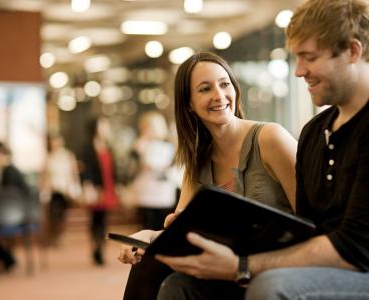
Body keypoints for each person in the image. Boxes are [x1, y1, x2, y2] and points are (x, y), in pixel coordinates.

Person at [153, 0, 369, 299]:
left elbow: (354, 247)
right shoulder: (314, 132)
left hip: (358, 266)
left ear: (353, 52)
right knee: (172, 280)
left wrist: (243, 265)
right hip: (323, 263)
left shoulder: (272, 137)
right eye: (297, 59)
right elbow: (307, 228)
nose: (299, 71)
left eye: (309, 57)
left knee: (270, 286)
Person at [118, 51, 298, 299]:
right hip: (224, 271)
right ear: (189, 104)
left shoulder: (270, 138)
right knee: (155, 268)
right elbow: (180, 233)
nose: (219, 95)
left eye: (224, 84)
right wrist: (146, 236)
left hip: (271, 268)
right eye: (205, 89)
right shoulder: (196, 162)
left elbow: (313, 220)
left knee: (169, 280)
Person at [0, 141, 30, 271]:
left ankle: (5, 259)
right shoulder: (11, 171)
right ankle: (6, 259)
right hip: (19, 216)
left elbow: (1, 196)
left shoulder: (8, 173)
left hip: (7, 217)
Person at [128, 111, 178, 230]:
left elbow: (174, 167)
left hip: (164, 194)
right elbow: (132, 166)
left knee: (162, 227)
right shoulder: (140, 145)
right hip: (145, 193)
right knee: (146, 227)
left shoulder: (170, 145)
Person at [81, 116, 119, 266]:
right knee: (95, 219)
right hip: (95, 188)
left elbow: (113, 169)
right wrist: (88, 185)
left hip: (108, 186)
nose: (105, 128)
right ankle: (96, 248)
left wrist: (117, 185)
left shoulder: (109, 146)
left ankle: (100, 248)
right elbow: (86, 169)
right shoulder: (88, 147)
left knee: (103, 219)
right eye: (103, 125)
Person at [40, 133, 82, 246]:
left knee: (62, 214)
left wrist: (74, 187)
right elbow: (45, 175)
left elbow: (73, 173)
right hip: (54, 190)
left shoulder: (68, 155)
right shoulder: (49, 157)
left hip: (65, 190)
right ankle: (54, 236)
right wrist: (44, 189)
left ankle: (61, 236)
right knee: (54, 213)